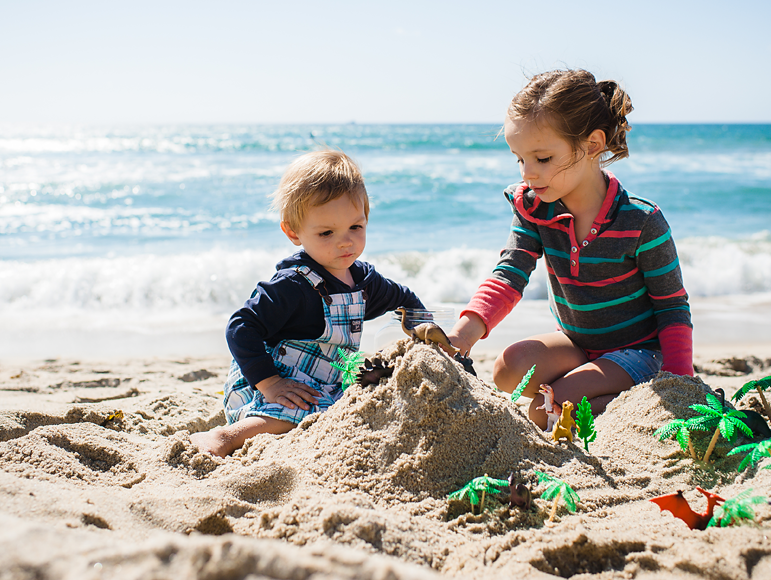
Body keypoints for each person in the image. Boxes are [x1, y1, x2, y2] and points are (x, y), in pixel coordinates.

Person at [446, 69, 693, 429]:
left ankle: (634, 401)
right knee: (506, 369)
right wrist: (463, 334)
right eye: (519, 159)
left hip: (641, 352)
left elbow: (672, 307)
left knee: (546, 408)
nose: (528, 173)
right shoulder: (535, 208)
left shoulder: (641, 221)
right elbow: (511, 271)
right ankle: (603, 397)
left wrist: (679, 384)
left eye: (542, 159)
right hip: (577, 343)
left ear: (592, 145)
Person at [191, 149, 424, 456]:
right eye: (327, 232)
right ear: (293, 232)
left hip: (324, 382)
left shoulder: (365, 281)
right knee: (299, 415)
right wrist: (270, 383)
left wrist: (425, 331)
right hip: (271, 384)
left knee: (358, 403)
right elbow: (240, 327)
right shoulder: (293, 285)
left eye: (356, 227)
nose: (346, 241)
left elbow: (407, 303)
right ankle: (226, 436)